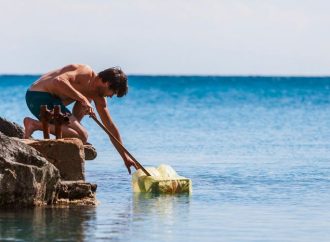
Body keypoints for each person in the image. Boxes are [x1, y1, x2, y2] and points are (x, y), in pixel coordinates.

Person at [23, 64, 138, 174]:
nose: (112, 96)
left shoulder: (98, 97)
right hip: (37, 96)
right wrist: (83, 100)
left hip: (54, 103)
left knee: (83, 114)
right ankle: (34, 125)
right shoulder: (85, 72)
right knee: (83, 136)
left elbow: (110, 127)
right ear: (106, 83)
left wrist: (125, 157)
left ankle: (71, 131)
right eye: (114, 92)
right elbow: (58, 81)